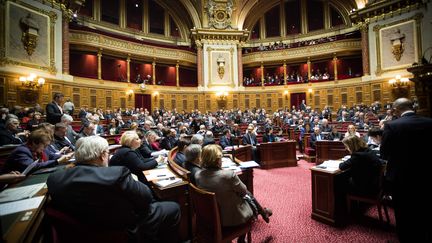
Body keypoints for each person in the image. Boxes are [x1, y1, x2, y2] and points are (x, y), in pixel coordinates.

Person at [46, 136, 180, 243]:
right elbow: (146, 198)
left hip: (82, 233)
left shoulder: (54, 178)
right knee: (172, 207)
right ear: (102, 155)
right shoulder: (116, 174)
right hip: (122, 230)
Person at [380, 98, 432, 242]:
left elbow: (384, 154)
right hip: (426, 174)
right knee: (424, 206)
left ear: (396, 110)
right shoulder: (429, 122)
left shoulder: (392, 125)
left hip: (401, 176)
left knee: (404, 211)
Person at [195, 145, 272, 230]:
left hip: (209, 217)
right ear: (217, 161)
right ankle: (261, 213)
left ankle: (263, 212)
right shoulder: (228, 175)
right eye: (220, 158)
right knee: (246, 195)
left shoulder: (197, 175)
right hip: (231, 219)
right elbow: (243, 191)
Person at [1, 129, 72, 174]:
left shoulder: (39, 148)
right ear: (35, 142)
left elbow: (51, 155)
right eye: (44, 145)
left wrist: (64, 156)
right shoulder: (22, 151)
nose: (45, 148)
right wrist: (58, 161)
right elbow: (33, 167)